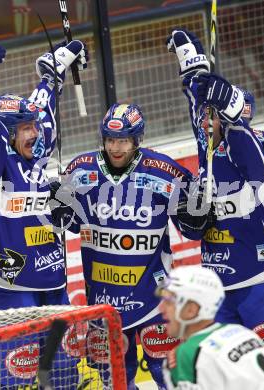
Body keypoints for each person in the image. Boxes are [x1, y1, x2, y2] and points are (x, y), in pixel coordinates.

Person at [166, 28, 264, 389]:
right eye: (205, 116)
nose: (206, 122)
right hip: (222, 288)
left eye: (215, 115)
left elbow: (250, 151)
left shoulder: (253, 142)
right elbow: (194, 228)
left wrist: (228, 108)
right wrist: (192, 64)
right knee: (225, 378)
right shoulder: (207, 156)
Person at [50, 102, 212, 389]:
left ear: (138, 140)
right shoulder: (79, 170)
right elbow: (66, 224)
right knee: (114, 381)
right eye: (111, 140)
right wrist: (55, 205)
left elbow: (192, 229)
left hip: (155, 299)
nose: (116, 147)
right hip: (104, 303)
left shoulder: (165, 172)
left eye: (123, 140)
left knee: (170, 374)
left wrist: (198, 212)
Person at [0, 38, 88, 388]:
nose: (35, 133)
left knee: (62, 376)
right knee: (8, 377)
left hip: (53, 283)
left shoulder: (35, 148)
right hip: (8, 287)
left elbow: (43, 111)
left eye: (34, 126)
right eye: (25, 127)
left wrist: (53, 72)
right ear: (6, 133)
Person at [157, 265, 264, 389]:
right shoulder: (243, 333)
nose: (161, 308)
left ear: (191, 310)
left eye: (168, 302)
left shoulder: (186, 355)